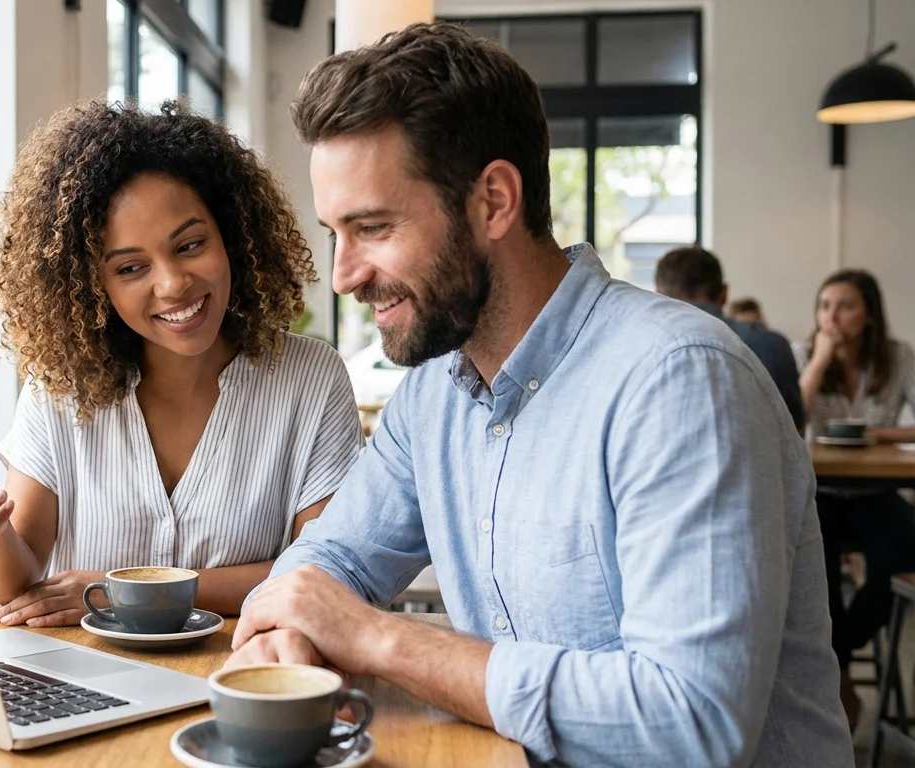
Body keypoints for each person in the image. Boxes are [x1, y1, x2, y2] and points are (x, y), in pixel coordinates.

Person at [225, 22, 850, 766]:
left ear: (493, 200)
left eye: (372, 227)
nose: (343, 274)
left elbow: (692, 725)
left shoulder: (679, 381)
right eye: (336, 232)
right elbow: (325, 565)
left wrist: (375, 637)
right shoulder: (433, 393)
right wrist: (295, 630)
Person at [0, 101, 363, 629]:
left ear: (231, 236)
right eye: (131, 267)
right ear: (93, 284)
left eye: (190, 244)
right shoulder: (61, 390)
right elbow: (20, 591)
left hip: (237, 678)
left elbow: (324, 576)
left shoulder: (312, 379)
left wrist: (123, 590)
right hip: (91, 684)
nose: (172, 284)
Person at [795, 269, 915, 728]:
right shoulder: (802, 355)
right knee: (816, 578)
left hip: (875, 491)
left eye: (845, 306)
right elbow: (790, 416)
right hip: (819, 492)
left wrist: (881, 433)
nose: (832, 317)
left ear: (868, 315)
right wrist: (820, 360)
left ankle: (840, 661)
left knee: (900, 557)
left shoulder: (896, 357)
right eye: (825, 306)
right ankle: (840, 673)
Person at [654, 246, 805, 432]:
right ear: (724, 293)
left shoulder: (641, 348)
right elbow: (794, 432)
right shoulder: (773, 345)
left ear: (657, 295)